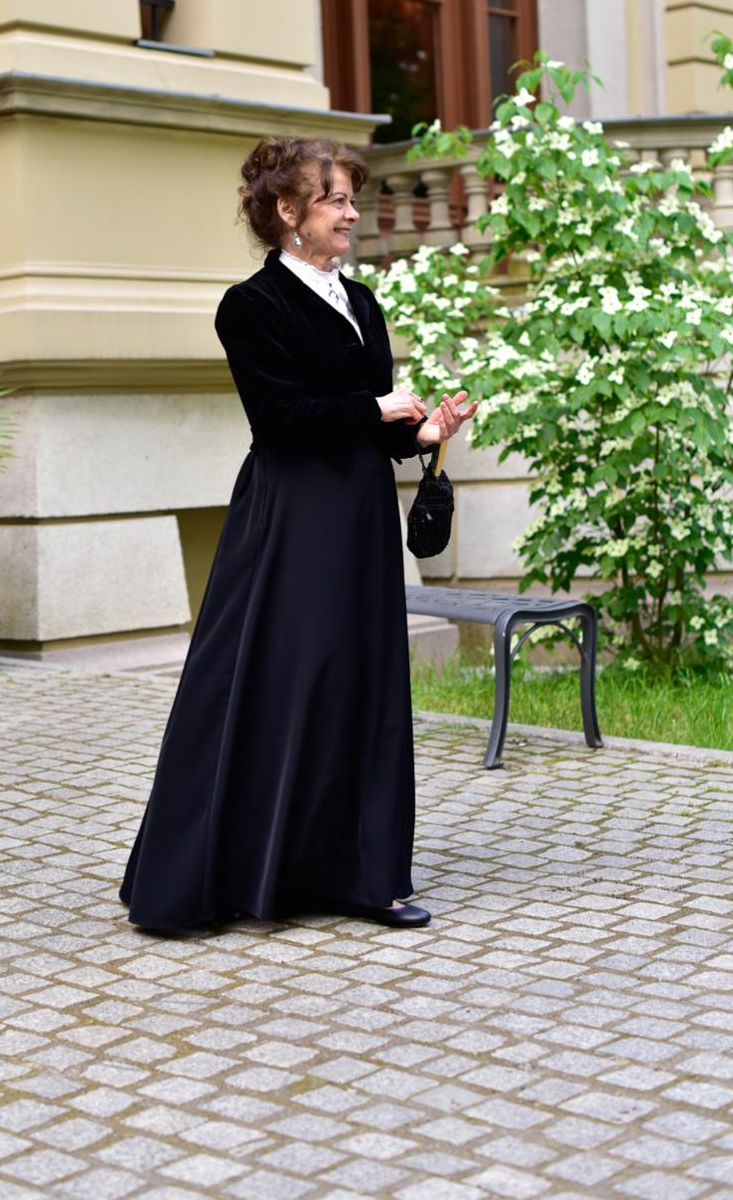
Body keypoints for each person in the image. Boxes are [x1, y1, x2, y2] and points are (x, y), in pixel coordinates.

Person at [120, 136, 477, 930]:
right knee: (288, 681)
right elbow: (279, 419)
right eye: (334, 200)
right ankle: (238, 877)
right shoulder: (250, 307)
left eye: (351, 199)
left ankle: (366, 878)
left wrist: (422, 433)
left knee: (363, 682)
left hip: (360, 517)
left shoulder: (362, 302)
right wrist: (375, 408)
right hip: (292, 521)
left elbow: (371, 426)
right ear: (288, 212)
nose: (351, 214)